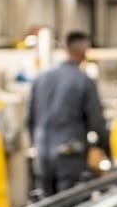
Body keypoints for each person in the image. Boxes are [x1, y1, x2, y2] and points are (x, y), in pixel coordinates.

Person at [24, 30, 107, 196]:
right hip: (70, 155)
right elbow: (96, 122)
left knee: (46, 204)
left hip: (42, 154)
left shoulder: (41, 78)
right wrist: (105, 149)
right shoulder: (84, 81)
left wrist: (38, 143)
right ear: (84, 51)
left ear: (64, 48)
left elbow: (29, 118)